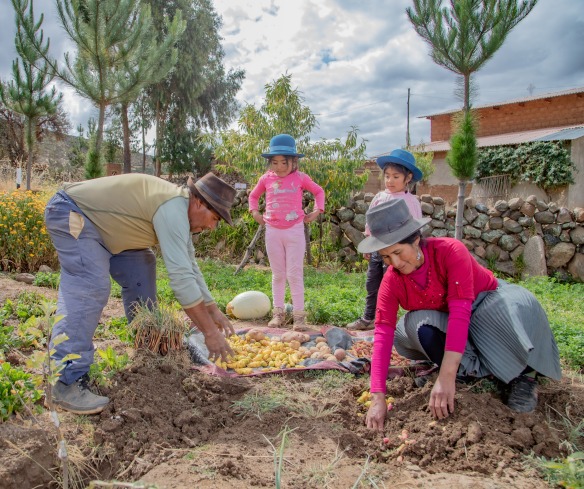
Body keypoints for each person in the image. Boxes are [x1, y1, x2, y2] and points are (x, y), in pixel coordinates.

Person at [359, 199, 562, 430]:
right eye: (385, 257)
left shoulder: (450, 251)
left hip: (484, 304)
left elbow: (460, 313)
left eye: (397, 252)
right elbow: (383, 333)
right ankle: (471, 371)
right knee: (411, 327)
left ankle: (525, 374)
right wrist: (377, 398)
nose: (394, 262)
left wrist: (445, 377)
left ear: (415, 240)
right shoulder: (392, 280)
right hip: (452, 319)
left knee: (504, 310)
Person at [44, 172, 238, 414]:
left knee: (143, 263)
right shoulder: (172, 208)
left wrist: (213, 309)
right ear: (199, 202)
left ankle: (152, 349)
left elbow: (190, 268)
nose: (211, 226)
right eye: (214, 218)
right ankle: (65, 379)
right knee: (91, 285)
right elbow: (180, 280)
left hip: (107, 231)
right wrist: (209, 332)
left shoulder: (180, 211)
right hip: (73, 212)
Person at [249, 134, 325, 331]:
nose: (280, 166)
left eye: (284, 162)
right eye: (275, 162)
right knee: (278, 274)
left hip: (294, 231)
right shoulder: (266, 179)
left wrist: (317, 211)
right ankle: (278, 314)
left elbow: (319, 192)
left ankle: (299, 316)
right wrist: (255, 212)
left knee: (294, 273)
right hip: (272, 231)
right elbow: (253, 196)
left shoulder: (301, 178)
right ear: (270, 163)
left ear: (294, 161)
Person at [347, 149, 423, 331]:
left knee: (396, 286)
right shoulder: (380, 197)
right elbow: (370, 220)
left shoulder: (411, 201)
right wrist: (369, 243)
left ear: (408, 177)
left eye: (396, 177)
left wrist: (413, 251)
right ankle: (368, 318)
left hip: (398, 254)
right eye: (387, 176)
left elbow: (416, 228)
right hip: (379, 250)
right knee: (373, 283)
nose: (390, 181)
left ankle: (392, 322)